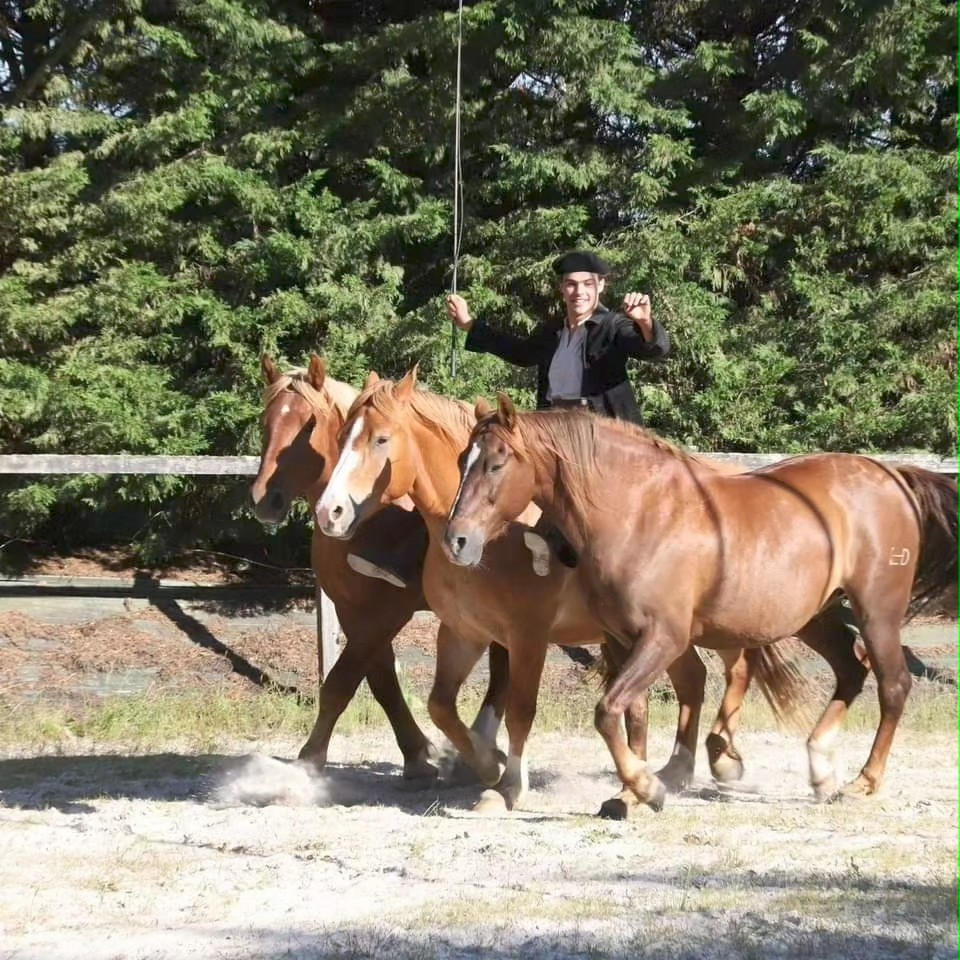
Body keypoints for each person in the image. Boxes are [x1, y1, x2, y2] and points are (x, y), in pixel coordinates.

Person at [445, 249, 670, 574]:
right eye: (570, 285)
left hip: (597, 437)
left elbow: (651, 348)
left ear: (600, 286)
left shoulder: (614, 327)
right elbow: (521, 352)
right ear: (562, 289)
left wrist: (645, 322)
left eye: (585, 285)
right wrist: (470, 326)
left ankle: (561, 543)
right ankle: (547, 540)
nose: (578, 292)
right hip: (554, 434)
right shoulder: (553, 331)